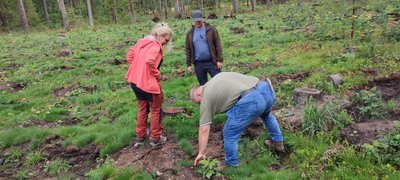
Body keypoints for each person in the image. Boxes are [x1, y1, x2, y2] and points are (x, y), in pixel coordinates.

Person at [190, 72, 285, 167]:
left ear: (198, 94)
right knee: (267, 115)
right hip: (265, 88)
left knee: (229, 132)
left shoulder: (206, 96)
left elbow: (204, 129)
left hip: (252, 100)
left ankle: (231, 164)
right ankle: (278, 143)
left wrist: (201, 152)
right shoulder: (216, 78)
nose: (201, 105)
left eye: (199, 102)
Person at [125, 22, 172, 147]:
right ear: (159, 35)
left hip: (135, 81)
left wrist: (137, 69)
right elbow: (149, 61)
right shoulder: (155, 46)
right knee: (155, 109)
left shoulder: (141, 42)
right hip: (148, 83)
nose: (166, 43)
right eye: (166, 40)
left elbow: (129, 56)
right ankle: (155, 139)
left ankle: (140, 138)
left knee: (142, 108)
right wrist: (157, 74)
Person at [185, 10, 224, 85]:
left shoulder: (211, 29)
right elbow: (188, 49)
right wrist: (189, 64)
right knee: (203, 86)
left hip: (212, 62)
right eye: (196, 21)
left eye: (199, 20)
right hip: (198, 64)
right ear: (193, 20)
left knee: (219, 82)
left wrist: (220, 60)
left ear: (203, 19)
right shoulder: (190, 33)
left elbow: (218, 44)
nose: (198, 23)